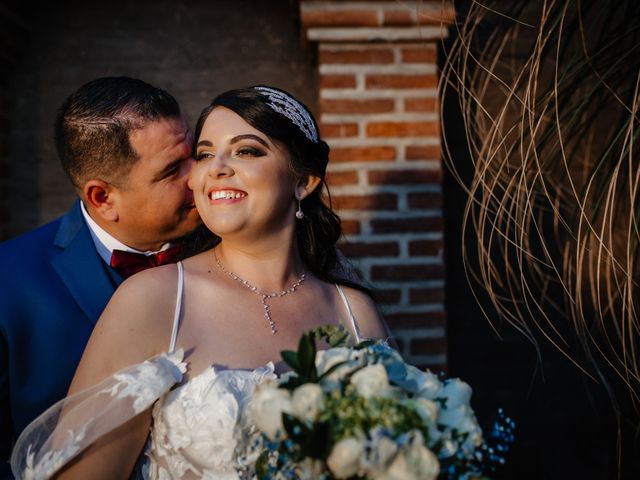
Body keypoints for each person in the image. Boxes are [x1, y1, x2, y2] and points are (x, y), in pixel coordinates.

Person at [10, 86, 389, 479]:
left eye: (247, 150)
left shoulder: (354, 310)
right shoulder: (152, 298)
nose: (211, 169)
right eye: (206, 154)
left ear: (304, 182)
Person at [0, 77, 200, 476]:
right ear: (103, 198)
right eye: (173, 169)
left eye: (197, 154)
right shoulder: (9, 282)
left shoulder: (237, 250)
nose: (199, 177)